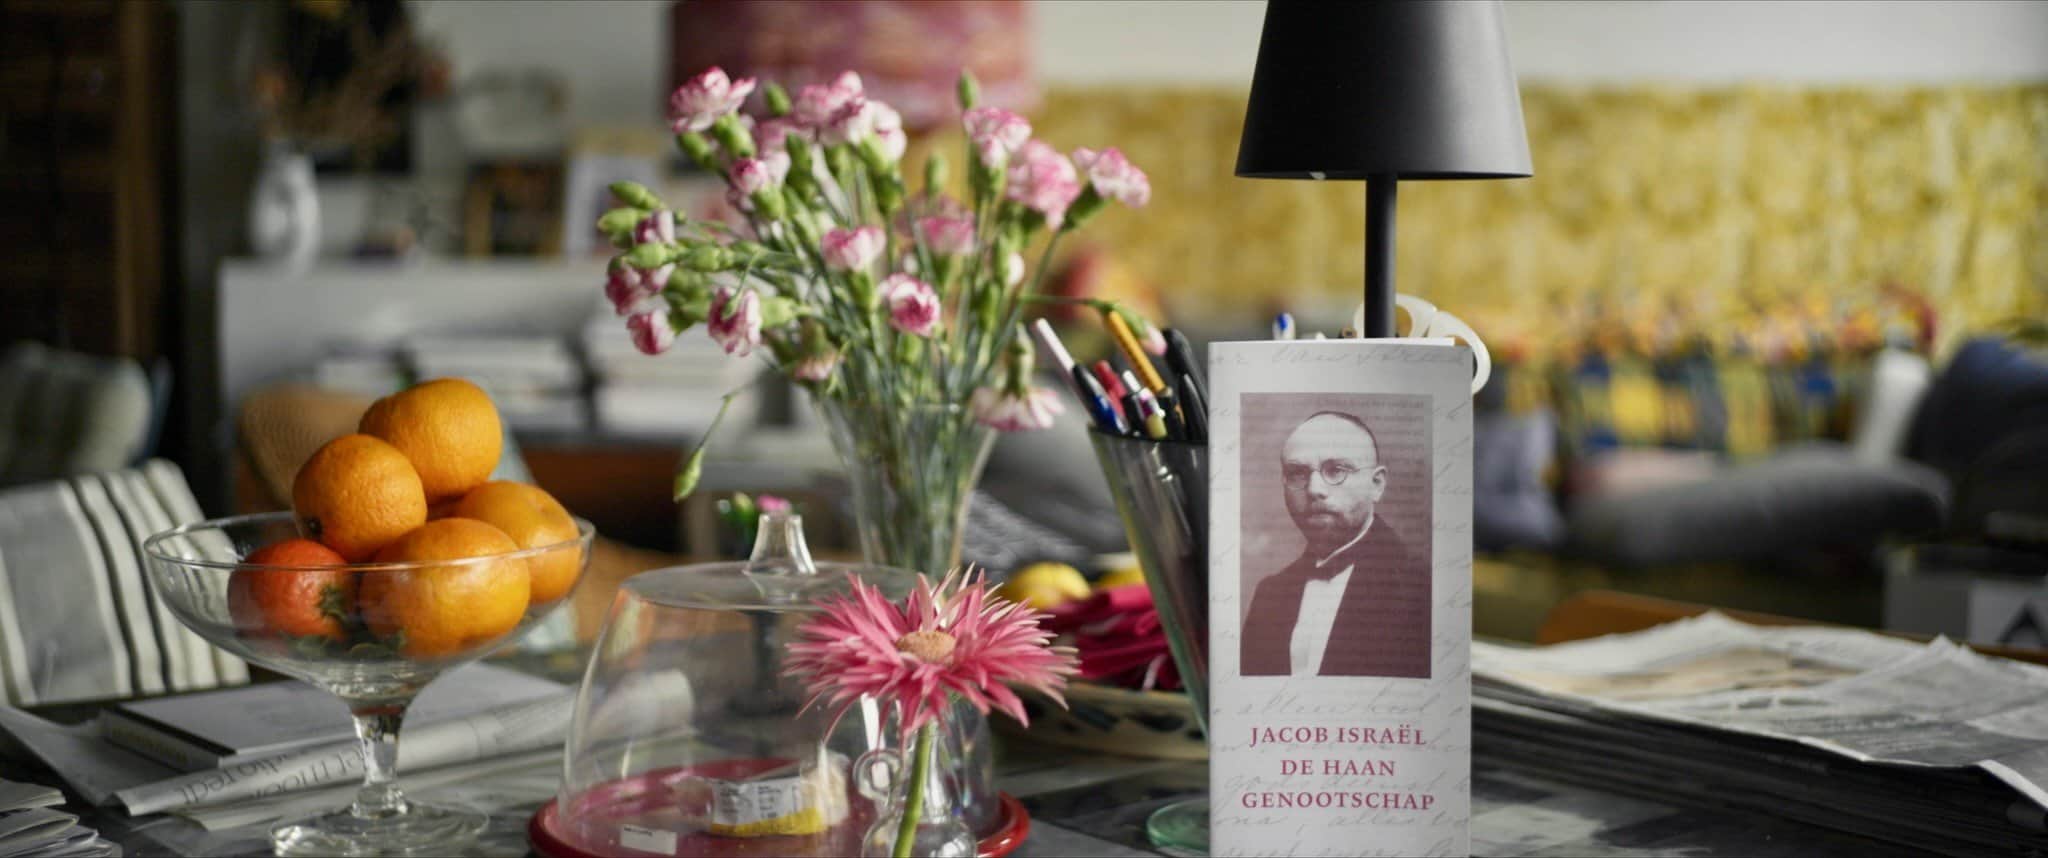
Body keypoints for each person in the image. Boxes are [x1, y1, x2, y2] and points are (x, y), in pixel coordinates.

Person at [1241, 411, 1430, 677]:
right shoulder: (1269, 593)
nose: (1314, 489)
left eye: (1336, 471)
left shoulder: (1423, 589)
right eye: (1297, 473)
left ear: (1376, 484)